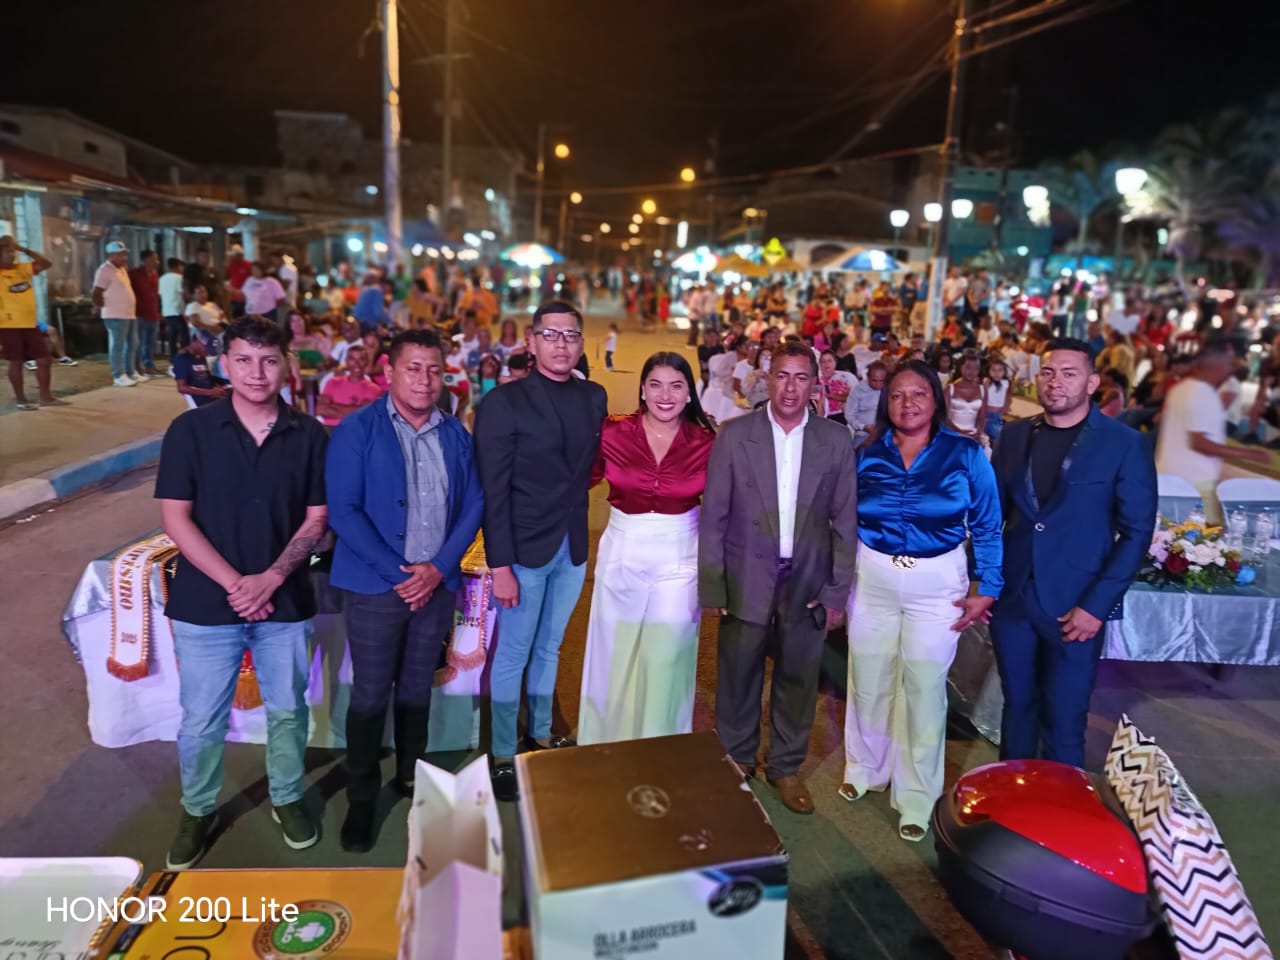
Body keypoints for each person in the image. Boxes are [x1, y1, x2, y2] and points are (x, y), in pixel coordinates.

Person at [155, 316, 330, 869]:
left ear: (287, 365)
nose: (257, 372)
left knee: (288, 710)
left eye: (269, 360)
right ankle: (197, 808)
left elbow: (317, 519)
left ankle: (287, 796)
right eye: (245, 360)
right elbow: (175, 518)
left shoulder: (309, 435)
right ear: (224, 364)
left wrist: (271, 578)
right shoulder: (191, 431)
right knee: (201, 719)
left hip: (285, 603)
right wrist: (237, 584)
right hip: (207, 606)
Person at [325, 328, 483, 851]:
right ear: (389, 371)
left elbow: (474, 504)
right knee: (371, 691)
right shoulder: (358, 431)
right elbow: (344, 511)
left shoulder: (455, 435)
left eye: (434, 370)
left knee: (417, 687)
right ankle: (362, 799)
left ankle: (412, 778)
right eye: (413, 368)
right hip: (376, 588)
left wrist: (437, 569)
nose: (424, 380)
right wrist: (402, 576)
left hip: (435, 588)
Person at [842, 359, 1003, 841]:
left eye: (917, 394)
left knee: (925, 685)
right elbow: (842, 518)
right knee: (868, 677)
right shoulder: (867, 452)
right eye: (896, 395)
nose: (907, 403)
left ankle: (916, 794)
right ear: (885, 403)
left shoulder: (966, 453)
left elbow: (988, 523)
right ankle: (864, 767)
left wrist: (987, 586)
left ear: (936, 399)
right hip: (873, 577)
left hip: (937, 583)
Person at [699, 341, 859, 815]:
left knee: (798, 677)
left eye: (801, 377)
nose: (790, 388)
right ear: (767, 380)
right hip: (745, 574)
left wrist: (837, 591)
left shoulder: (836, 439)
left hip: (807, 580)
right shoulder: (735, 434)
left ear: (815, 384)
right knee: (738, 672)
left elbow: (845, 521)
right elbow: (714, 516)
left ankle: (786, 767)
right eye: (782, 376)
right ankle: (737, 758)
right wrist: (713, 584)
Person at [990, 337, 1158, 768]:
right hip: (1014, 600)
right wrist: (984, 581)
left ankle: (1063, 804)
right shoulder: (1014, 436)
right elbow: (993, 518)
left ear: (1092, 382)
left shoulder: (1123, 444)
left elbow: (1136, 533)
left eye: (1069, 373)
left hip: (1076, 608)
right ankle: (1014, 797)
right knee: (1017, 708)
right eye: (1048, 372)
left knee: (1064, 722)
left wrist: (1097, 606)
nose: (1055, 382)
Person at [473, 300, 608, 801]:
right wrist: (501, 564)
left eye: (570, 335)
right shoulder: (503, 403)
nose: (561, 344)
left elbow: (591, 467)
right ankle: (503, 752)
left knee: (550, 647)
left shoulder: (593, 396)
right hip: (522, 552)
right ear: (530, 342)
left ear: (581, 343)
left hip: (572, 545)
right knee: (513, 651)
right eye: (550, 334)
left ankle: (542, 733)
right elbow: (493, 490)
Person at [578, 353, 716, 745]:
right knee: (613, 652)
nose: (665, 395)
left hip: (681, 558)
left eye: (676, 386)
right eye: (655, 384)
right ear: (642, 389)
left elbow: (726, 506)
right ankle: (603, 748)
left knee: (666, 657)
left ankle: (659, 750)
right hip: (622, 550)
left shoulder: (707, 442)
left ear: (689, 393)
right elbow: (575, 479)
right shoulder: (612, 432)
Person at [1156, 338, 1269, 523]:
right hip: (1195, 485)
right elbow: (1199, 443)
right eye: (1229, 362)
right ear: (1216, 364)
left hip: (1168, 480)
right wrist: (1249, 454)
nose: (1231, 368)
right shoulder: (1203, 394)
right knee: (1207, 537)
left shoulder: (1180, 389)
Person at [0, 235, 63, 409]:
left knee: (44, 359)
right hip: (8, 326)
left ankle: (45, 397)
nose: (12, 254)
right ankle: (21, 400)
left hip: (29, 323)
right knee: (16, 362)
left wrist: (24, 249)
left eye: (13, 251)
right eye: (7, 251)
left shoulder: (22, 268)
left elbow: (47, 263)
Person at [94, 241, 139, 388]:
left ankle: (131, 372)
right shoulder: (104, 270)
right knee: (118, 346)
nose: (124, 257)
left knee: (133, 343)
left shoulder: (122, 269)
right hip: (115, 314)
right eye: (120, 254)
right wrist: (103, 307)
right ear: (111, 255)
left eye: (125, 254)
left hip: (129, 313)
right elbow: (97, 292)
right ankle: (118, 375)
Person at [317, 345, 384, 427]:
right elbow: (321, 409)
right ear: (346, 361)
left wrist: (332, 405)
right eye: (352, 359)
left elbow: (364, 414)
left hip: (355, 429)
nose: (357, 363)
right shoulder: (332, 382)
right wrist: (354, 411)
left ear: (366, 362)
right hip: (330, 429)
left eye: (361, 359)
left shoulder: (373, 389)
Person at [128, 250, 163, 377]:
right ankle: (137, 367)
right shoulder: (134, 274)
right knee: (138, 342)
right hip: (139, 313)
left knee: (151, 343)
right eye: (154, 259)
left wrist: (158, 312)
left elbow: (155, 295)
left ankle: (149, 365)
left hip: (152, 313)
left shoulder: (154, 275)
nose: (157, 262)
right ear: (146, 260)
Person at [944, 350, 988, 447]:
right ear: (961, 367)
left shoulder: (982, 390)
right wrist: (961, 433)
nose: (972, 372)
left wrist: (978, 432)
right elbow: (944, 418)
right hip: (952, 433)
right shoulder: (950, 389)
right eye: (968, 367)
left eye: (976, 368)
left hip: (973, 434)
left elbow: (982, 417)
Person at [171, 337, 227, 407]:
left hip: (212, 395)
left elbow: (208, 378)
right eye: (207, 349)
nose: (208, 354)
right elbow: (182, 388)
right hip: (203, 399)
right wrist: (210, 392)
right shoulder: (182, 359)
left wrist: (219, 386)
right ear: (197, 342)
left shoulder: (200, 356)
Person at [184, 284, 227, 355]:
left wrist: (220, 326)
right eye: (200, 292)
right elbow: (195, 322)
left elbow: (222, 316)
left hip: (219, 329)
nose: (203, 295)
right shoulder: (193, 306)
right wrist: (211, 328)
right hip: (204, 331)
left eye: (204, 292)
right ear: (194, 295)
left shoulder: (212, 305)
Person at [160, 257, 188, 353]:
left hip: (167, 311)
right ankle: (186, 355)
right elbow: (183, 293)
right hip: (177, 310)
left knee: (172, 335)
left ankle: (173, 356)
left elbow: (160, 294)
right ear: (178, 266)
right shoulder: (179, 278)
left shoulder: (162, 279)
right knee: (184, 335)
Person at [984, 356, 1012, 442]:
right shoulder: (987, 381)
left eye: (1000, 370)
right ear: (988, 371)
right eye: (993, 370)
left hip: (998, 414)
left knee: (996, 436)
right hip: (987, 414)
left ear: (1004, 371)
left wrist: (1006, 406)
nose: (997, 373)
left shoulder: (1006, 383)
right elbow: (983, 396)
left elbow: (1008, 396)